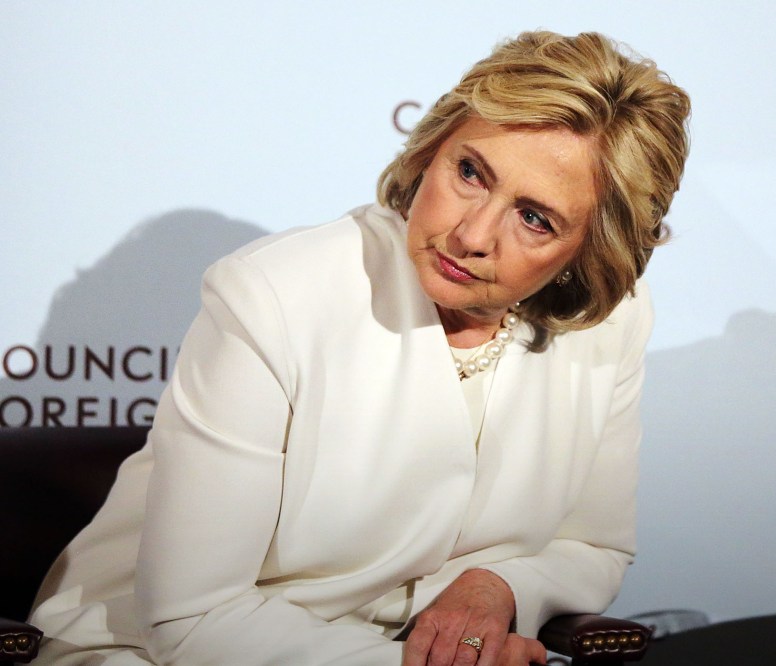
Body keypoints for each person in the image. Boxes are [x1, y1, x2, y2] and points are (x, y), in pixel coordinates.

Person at [29, 30, 690, 665]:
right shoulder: (271, 296)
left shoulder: (612, 322)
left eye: (535, 218)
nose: (472, 234)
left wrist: (501, 588)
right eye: (470, 172)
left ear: (589, 251)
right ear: (431, 149)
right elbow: (193, 618)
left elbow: (593, 545)